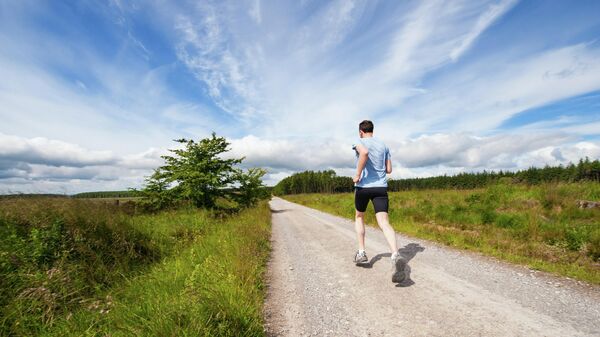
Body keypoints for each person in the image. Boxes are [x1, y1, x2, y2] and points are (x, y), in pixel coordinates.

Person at [352, 120, 405, 283]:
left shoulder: (359, 142)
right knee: (384, 222)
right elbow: (389, 169)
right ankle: (395, 254)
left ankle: (361, 253)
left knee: (360, 216)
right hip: (381, 187)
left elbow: (365, 153)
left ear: (361, 132)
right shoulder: (384, 145)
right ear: (372, 131)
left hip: (363, 187)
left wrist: (357, 174)